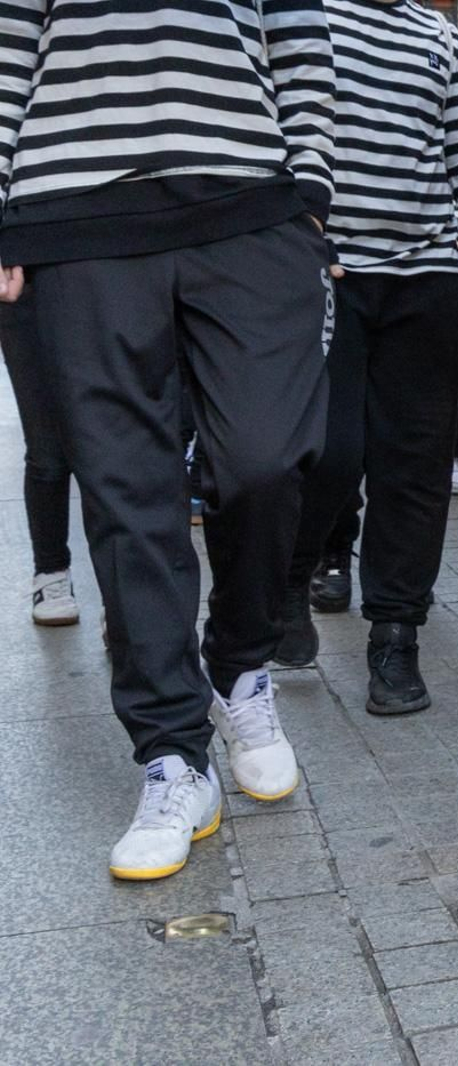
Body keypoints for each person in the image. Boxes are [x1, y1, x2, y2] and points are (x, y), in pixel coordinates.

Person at [0, 0, 335, 879]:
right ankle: (173, 755)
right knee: (125, 492)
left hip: (248, 199)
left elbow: (300, 41)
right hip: (75, 209)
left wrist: (311, 192)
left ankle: (239, 662)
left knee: (268, 457)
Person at [273, 0, 458, 719]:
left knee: (414, 466)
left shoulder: (436, 35)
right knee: (329, 451)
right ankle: (289, 581)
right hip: (328, 272)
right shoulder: (306, 17)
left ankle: (395, 634)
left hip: (428, 275)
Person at [0, 288, 77, 625]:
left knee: (107, 448)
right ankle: (51, 570)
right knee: (46, 450)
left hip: (102, 274)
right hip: (22, 284)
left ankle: (118, 588)